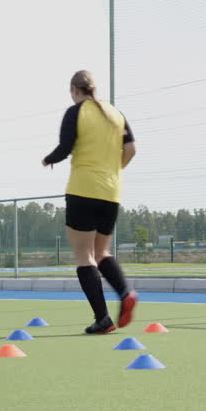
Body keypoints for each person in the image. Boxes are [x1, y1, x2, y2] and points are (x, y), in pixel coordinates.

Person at [42, 70, 138, 334]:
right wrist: (113, 171)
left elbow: (65, 147)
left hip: (83, 189)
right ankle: (126, 292)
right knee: (101, 252)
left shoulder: (76, 112)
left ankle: (103, 319)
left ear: (75, 90)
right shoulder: (115, 114)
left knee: (84, 256)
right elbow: (130, 149)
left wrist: (47, 159)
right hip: (111, 192)